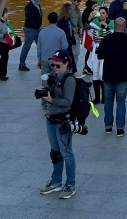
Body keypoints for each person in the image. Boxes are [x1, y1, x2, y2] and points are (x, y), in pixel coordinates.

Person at [39, 53, 77, 199]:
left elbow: (68, 102)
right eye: (52, 65)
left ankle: (71, 184)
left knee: (67, 153)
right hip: (50, 119)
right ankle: (56, 181)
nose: (54, 68)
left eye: (58, 65)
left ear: (66, 64)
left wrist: (51, 99)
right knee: (55, 152)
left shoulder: (69, 80)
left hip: (62, 122)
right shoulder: (54, 77)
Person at [96, 16, 127, 136]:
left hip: (108, 74)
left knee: (108, 101)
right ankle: (120, 128)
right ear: (124, 27)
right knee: (121, 101)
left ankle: (108, 127)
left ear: (114, 26)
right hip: (123, 75)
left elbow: (99, 55)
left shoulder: (107, 39)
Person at [88, 7, 113, 103]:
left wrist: (106, 26)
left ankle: (104, 97)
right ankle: (97, 98)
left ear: (107, 15)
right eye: (100, 13)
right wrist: (89, 19)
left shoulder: (111, 24)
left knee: (102, 73)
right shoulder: (94, 23)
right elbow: (86, 29)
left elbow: (111, 35)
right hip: (95, 50)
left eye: (103, 13)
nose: (101, 15)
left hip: (105, 51)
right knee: (95, 73)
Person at [19, 0, 43, 71]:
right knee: (27, 47)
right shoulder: (29, 6)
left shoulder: (38, 5)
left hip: (38, 29)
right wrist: (38, 25)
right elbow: (29, 19)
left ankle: (41, 62)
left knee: (40, 46)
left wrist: (40, 25)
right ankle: (21, 64)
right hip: (30, 29)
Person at [0, 9, 18, 81]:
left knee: (5, 57)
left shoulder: (7, 22)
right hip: (0, 42)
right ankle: (1, 75)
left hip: (6, 42)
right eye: (6, 13)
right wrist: (4, 35)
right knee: (4, 57)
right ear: (2, 14)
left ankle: (3, 74)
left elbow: (10, 31)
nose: (8, 14)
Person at [57, 3, 77, 71]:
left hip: (69, 42)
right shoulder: (61, 21)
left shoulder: (67, 20)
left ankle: (73, 70)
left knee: (70, 57)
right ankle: (74, 71)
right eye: (70, 9)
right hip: (66, 42)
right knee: (69, 57)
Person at [69, 0, 83, 65]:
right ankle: (73, 69)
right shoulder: (69, 9)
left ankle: (74, 68)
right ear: (73, 1)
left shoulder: (78, 10)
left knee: (77, 52)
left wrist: (81, 28)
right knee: (74, 52)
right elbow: (65, 21)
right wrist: (71, 28)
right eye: (78, 1)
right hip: (71, 33)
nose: (79, 3)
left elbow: (80, 21)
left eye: (80, 1)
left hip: (77, 33)